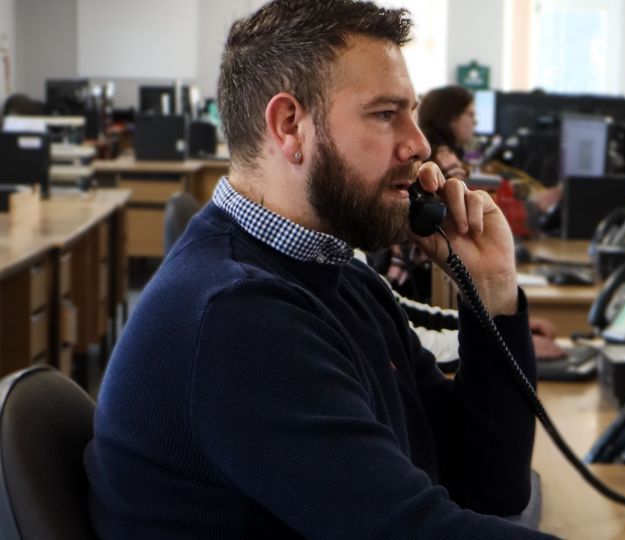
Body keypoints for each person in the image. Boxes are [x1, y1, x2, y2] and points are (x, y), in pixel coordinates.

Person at [84, 1, 553, 538]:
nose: (419, 144)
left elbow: (488, 486)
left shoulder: (341, 277)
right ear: (290, 126)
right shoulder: (238, 316)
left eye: (413, 112)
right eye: (385, 114)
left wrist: (490, 290)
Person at [417, 84, 476, 181]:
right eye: (470, 114)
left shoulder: (425, 152)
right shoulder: (447, 162)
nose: (475, 121)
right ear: (450, 117)